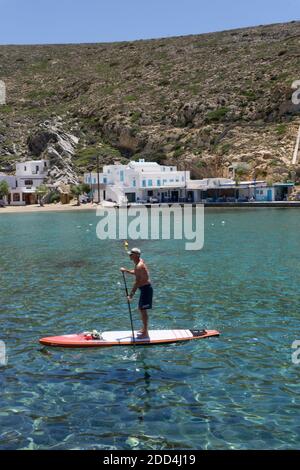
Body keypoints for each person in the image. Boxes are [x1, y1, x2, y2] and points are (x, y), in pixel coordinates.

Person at [120, 248, 153, 338]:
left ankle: (145, 333)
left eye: (131, 254)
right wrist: (126, 271)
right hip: (144, 289)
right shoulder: (139, 262)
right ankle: (144, 329)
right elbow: (137, 273)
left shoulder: (139, 265)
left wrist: (131, 295)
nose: (129, 255)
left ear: (136, 255)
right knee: (141, 309)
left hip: (146, 289)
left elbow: (137, 282)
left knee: (143, 310)